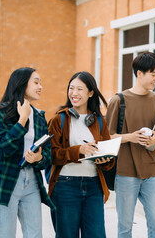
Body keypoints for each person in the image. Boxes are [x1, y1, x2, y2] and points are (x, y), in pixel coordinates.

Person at [0, 67, 54, 238]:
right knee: (5, 234)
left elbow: (47, 156)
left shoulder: (40, 116)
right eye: (36, 82)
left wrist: (39, 158)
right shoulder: (0, 114)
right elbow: (1, 150)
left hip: (32, 183)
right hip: (6, 181)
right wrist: (21, 121)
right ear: (22, 84)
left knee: (35, 234)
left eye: (40, 82)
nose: (40, 86)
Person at [106, 51, 155, 238]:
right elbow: (106, 137)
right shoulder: (118, 100)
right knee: (125, 227)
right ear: (139, 73)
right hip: (125, 172)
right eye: (153, 74)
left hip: (151, 171)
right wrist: (130, 137)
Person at [48, 71, 114, 238]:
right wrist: (79, 150)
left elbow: (108, 158)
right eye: (71, 88)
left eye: (79, 89)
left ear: (91, 93)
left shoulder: (99, 121)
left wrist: (105, 159)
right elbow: (52, 155)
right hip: (65, 186)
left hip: (94, 187)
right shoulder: (59, 119)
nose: (74, 93)